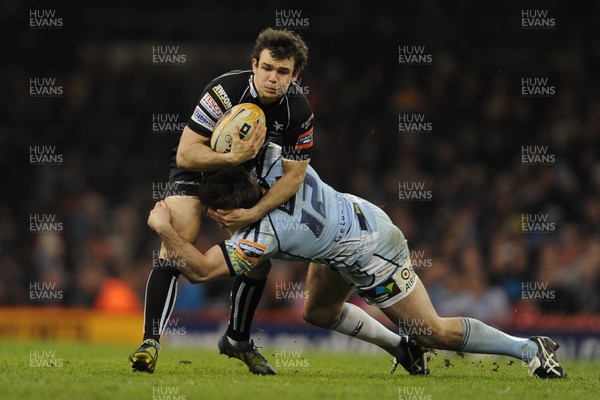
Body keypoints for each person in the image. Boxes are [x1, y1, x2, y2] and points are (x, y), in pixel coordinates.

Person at [146, 143, 566, 379]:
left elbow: (199, 271)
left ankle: (530, 349)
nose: (218, 228)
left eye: (217, 221)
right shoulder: (274, 161)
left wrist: (164, 227)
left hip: (372, 252)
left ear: (227, 214)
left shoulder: (264, 235)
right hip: (349, 223)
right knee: (317, 310)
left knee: (433, 331)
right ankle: (400, 347)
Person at [129, 27, 314, 374]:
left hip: (244, 179)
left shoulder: (298, 112)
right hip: (200, 166)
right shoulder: (224, 91)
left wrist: (254, 211)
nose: (273, 78)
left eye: (283, 72)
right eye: (267, 68)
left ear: (295, 75)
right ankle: (150, 341)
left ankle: (237, 340)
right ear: (254, 65)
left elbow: (295, 175)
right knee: (180, 233)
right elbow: (185, 154)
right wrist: (231, 157)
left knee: (257, 258)